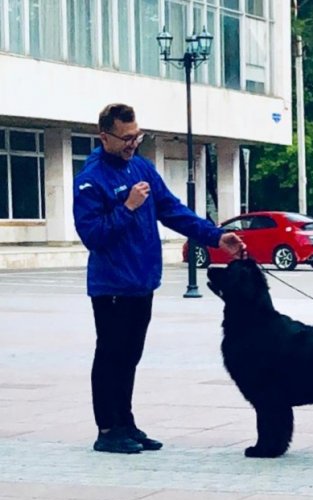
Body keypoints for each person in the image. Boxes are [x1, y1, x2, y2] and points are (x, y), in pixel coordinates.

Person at [73, 103, 245, 454]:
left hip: (142, 282)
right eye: (126, 138)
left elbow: (172, 210)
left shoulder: (142, 168)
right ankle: (108, 429)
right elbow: (94, 236)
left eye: (137, 136)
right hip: (112, 287)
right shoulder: (90, 180)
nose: (132, 144)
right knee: (111, 356)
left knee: (130, 357)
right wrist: (128, 207)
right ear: (104, 137)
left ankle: (126, 422)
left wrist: (215, 237)